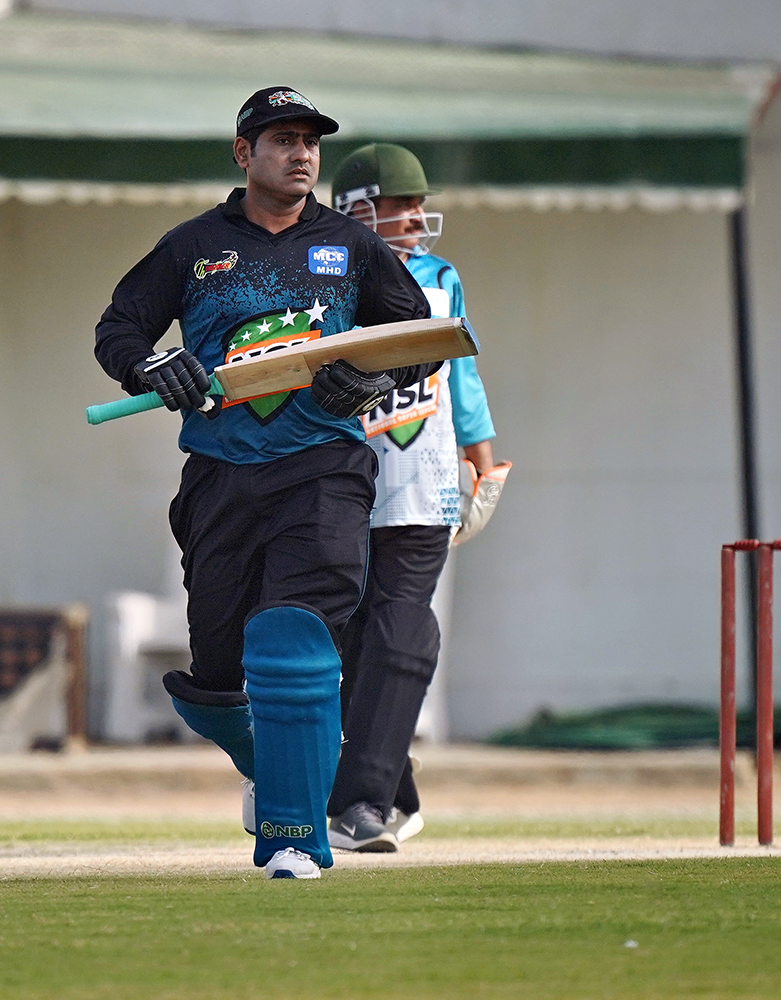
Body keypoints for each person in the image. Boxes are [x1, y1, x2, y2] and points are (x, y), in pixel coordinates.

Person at [94, 88, 435, 878]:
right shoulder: (193, 246)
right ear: (245, 153)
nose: (302, 154)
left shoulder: (350, 244)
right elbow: (119, 328)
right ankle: (278, 766)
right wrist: (150, 364)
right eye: (283, 140)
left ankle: (293, 838)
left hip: (324, 469)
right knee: (214, 679)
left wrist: (373, 379)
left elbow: (418, 337)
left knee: (295, 639)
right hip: (220, 477)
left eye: (310, 142)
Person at [324, 143, 509, 851]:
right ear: (357, 209)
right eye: (399, 204)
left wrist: (481, 463)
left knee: (402, 628)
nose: (413, 216)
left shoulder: (439, 277)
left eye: (417, 204)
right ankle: (394, 786)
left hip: (424, 479)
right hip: (343, 482)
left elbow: (462, 375)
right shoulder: (323, 274)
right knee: (352, 638)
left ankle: (360, 804)